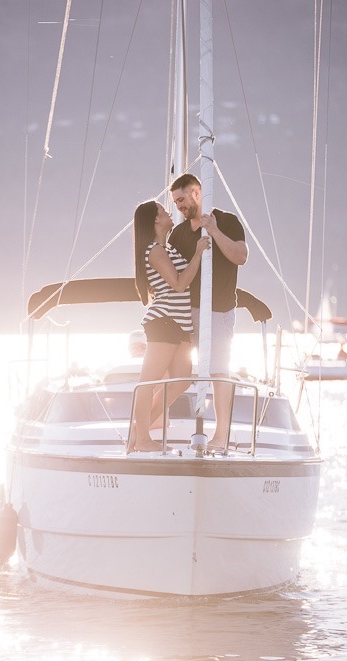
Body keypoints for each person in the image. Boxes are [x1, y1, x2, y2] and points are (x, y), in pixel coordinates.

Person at [169, 173, 248, 450]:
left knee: (218, 371)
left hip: (218, 310)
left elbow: (241, 256)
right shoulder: (178, 234)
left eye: (181, 199)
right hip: (186, 311)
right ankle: (159, 422)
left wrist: (213, 231)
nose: (178, 206)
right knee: (179, 367)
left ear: (196, 193)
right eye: (175, 202)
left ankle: (221, 434)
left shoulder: (227, 221)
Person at [130, 199, 210, 452]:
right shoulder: (154, 250)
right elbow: (178, 284)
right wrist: (198, 253)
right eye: (164, 212)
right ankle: (142, 438)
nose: (169, 214)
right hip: (164, 321)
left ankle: (137, 431)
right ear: (155, 220)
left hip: (180, 323)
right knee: (148, 382)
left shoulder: (167, 249)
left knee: (181, 381)